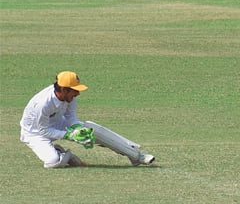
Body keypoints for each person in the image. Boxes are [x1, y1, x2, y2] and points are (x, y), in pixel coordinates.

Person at [20, 71, 156, 168]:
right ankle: (61, 153)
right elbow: (43, 130)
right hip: (35, 133)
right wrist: (69, 135)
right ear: (64, 89)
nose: (78, 93)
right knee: (53, 162)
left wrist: (76, 129)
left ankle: (136, 156)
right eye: (75, 90)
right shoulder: (43, 103)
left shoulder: (70, 97)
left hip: (57, 122)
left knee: (91, 129)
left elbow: (70, 117)